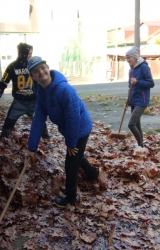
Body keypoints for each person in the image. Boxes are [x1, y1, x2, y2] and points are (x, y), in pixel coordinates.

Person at [26, 56, 101, 208]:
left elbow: (74, 118)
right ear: (32, 76)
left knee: (70, 163)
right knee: (76, 156)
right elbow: (39, 118)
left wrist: (71, 143)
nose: (41, 72)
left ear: (47, 67)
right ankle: (93, 173)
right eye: (36, 71)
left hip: (80, 127)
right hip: (68, 128)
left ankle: (70, 198)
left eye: (42, 68)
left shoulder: (64, 90)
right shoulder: (41, 92)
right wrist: (32, 147)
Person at [0, 43, 50, 139]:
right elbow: (3, 83)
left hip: (34, 102)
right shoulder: (12, 67)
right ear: (22, 54)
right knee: (9, 121)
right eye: (29, 54)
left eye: (31, 54)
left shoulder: (33, 66)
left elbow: (44, 80)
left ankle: (46, 139)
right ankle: (3, 139)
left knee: (40, 121)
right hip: (18, 102)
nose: (30, 56)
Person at [125, 46, 155, 148]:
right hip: (133, 100)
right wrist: (127, 101)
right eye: (126, 58)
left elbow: (151, 83)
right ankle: (141, 146)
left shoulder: (144, 67)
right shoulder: (131, 70)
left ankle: (141, 146)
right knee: (137, 124)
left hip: (142, 100)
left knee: (131, 124)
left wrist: (137, 82)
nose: (127, 60)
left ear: (135, 57)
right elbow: (130, 87)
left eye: (129, 57)